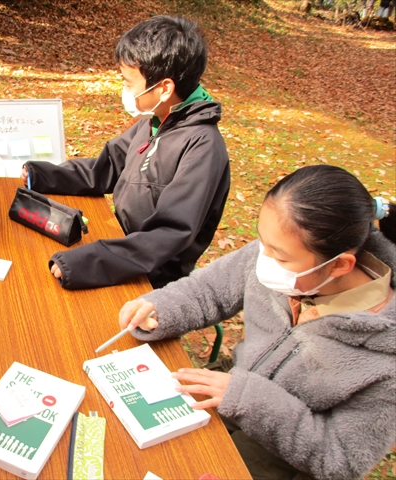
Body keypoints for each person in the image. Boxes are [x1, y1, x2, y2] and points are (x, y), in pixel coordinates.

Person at [119, 165, 395, 480]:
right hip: (230, 386)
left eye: (279, 257)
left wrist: (249, 399)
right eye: (261, 241)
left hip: (283, 457)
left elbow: (340, 459)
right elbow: (209, 290)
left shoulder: (386, 361)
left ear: (340, 266)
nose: (261, 257)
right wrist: (159, 308)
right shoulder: (284, 247)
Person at [20, 15, 230, 290]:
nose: (125, 91)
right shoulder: (155, 121)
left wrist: (87, 262)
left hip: (150, 278)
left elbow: (167, 235)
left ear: (164, 88)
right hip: (116, 243)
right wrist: (42, 175)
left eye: (130, 83)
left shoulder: (202, 147)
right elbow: (104, 168)